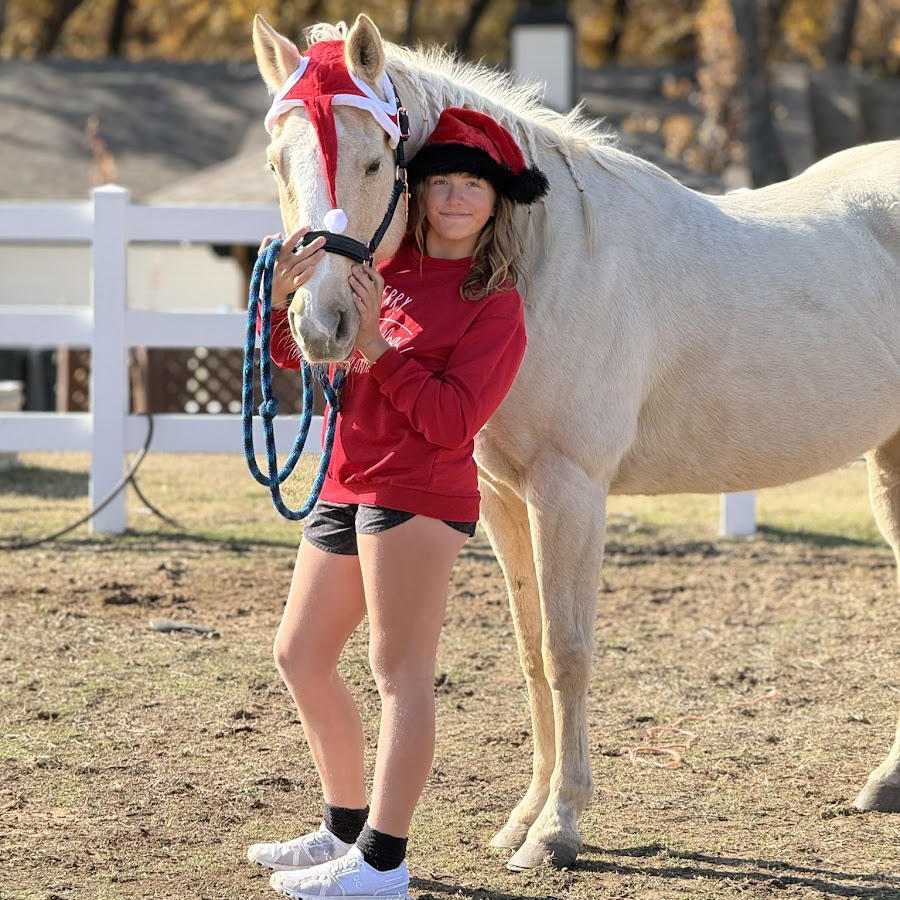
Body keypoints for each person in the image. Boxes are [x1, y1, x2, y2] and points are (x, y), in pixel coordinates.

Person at [248, 108, 548, 900]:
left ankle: (384, 863)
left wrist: (379, 348)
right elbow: (304, 357)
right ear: (417, 192)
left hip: (417, 492)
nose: (454, 197)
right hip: (347, 481)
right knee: (300, 655)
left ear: (495, 203)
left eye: (473, 185)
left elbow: (453, 421)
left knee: (399, 672)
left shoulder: (495, 304)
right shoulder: (380, 270)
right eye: (441, 181)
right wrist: (278, 302)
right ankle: (343, 828)